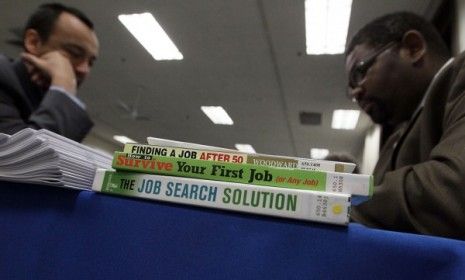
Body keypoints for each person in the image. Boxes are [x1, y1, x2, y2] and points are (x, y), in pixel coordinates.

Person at [345, 11, 465, 239]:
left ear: (413, 47)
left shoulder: (459, 76)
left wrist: (335, 195)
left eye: (359, 72)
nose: (355, 92)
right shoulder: (395, 138)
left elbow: (453, 191)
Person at [0, 3, 99, 142]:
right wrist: (64, 87)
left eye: (90, 62)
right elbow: (25, 158)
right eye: (75, 53)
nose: (84, 69)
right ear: (33, 42)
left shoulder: (47, 98)